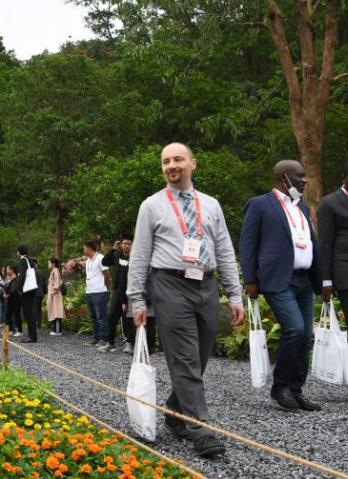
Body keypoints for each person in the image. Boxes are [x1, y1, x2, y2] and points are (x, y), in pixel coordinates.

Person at [127, 142, 244, 458]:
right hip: (169, 285)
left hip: (206, 286)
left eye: (178, 159)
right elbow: (139, 255)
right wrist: (136, 299)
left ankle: (176, 410)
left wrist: (234, 294)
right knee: (186, 359)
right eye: (166, 161)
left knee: (200, 356)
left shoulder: (211, 205)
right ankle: (201, 430)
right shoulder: (151, 206)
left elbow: (223, 251)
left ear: (193, 163)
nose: (171, 165)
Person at [240, 160, 322, 411]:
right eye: (300, 176)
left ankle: (296, 390)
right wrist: (251, 279)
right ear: (283, 177)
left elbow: (311, 243)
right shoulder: (260, 204)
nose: (305, 180)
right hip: (277, 279)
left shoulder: (303, 209)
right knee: (295, 329)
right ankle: (280, 387)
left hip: (304, 280)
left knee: (306, 336)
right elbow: (247, 243)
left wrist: (322, 280)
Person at [317, 161, 348, 342]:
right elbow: (326, 243)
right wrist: (326, 279)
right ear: (343, 177)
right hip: (345, 272)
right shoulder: (329, 203)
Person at [100, 235, 134, 353]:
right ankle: (110, 343)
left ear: (132, 245)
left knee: (128, 319)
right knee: (111, 317)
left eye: (129, 243)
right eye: (124, 243)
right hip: (117, 290)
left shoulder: (135, 257)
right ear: (121, 244)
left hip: (130, 292)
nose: (126, 245)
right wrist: (113, 249)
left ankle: (130, 343)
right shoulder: (117, 255)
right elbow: (105, 262)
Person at [79, 241, 110, 347]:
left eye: (84, 248)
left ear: (89, 248)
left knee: (101, 316)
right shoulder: (88, 261)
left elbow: (107, 275)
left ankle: (104, 339)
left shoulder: (101, 258)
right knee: (93, 316)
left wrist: (106, 288)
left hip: (100, 291)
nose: (83, 251)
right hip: (89, 292)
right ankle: (96, 337)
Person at [15, 245, 39, 343]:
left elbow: (22, 275)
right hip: (31, 290)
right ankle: (32, 335)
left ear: (19, 252)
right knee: (29, 312)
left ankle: (32, 337)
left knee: (28, 313)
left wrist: (19, 288)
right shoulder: (29, 260)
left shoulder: (23, 261)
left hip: (26, 290)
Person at [46, 258, 65, 336]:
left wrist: (51, 293)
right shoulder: (53, 272)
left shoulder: (55, 272)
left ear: (53, 264)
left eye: (49, 263)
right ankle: (56, 329)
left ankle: (58, 331)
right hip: (53, 296)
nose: (48, 265)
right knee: (54, 312)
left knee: (57, 312)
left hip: (55, 296)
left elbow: (57, 284)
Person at [2, 265, 22, 337]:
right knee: (8, 315)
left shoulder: (16, 278)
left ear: (12, 270)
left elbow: (13, 289)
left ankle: (20, 331)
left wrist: (7, 295)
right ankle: (10, 330)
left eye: (7, 270)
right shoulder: (9, 278)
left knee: (17, 314)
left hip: (16, 298)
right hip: (10, 299)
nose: (6, 271)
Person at [31, 258, 46, 332]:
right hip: (40, 293)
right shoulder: (40, 272)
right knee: (38, 309)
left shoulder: (30, 273)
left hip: (33, 294)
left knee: (33, 309)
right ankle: (39, 324)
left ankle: (34, 324)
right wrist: (44, 292)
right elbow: (44, 283)